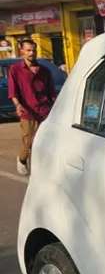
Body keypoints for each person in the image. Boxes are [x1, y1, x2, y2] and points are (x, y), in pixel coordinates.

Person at [8, 38, 57, 176]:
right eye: (28, 50)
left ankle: (41, 166)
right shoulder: (15, 69)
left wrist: (56, 106)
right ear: (21, 51)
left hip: (44, 110)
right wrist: (18, 105)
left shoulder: (45, 70)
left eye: (34, 50)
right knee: (28, 141)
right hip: (27, 111)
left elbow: (52, 92)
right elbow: (13, 91)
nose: (32, 53)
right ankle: (22, 159)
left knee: (46, 139)